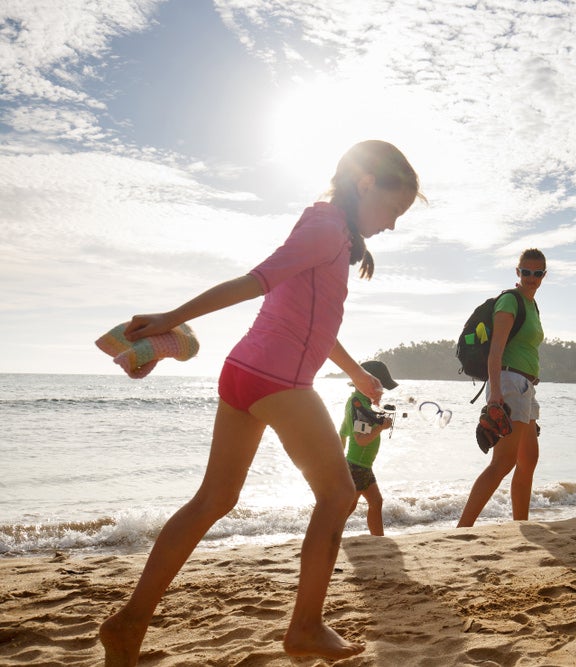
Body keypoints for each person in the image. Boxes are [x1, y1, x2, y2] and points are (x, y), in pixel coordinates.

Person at [99, 140, 422, 667]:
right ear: (366, 184)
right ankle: (306, 627)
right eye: (392, 209)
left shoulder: (333, 235)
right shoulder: (324, 229)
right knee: (340, 494)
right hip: (279, 381)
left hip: (243, 374)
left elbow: (312, 321)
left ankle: (130, 621)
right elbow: (254, 282)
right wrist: (169, 318)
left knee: (214, 500)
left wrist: (356, 372)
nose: (391, 224)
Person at [458, 249, 546, 527]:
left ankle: (521, 523)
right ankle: (463, 527)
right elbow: (496, 352)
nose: (532, 278)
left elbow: (524, 347)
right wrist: (495, 394)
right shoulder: (510, 301)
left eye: (538, 273)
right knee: (503, 463)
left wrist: (532, 376)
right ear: (517, 272)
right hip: (509, 384)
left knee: (528, 459)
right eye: (526, 272)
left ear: (544, 275)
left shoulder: (532, 306)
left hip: (525, 386)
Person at [340, 360, 399, 536]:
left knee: (376, 502)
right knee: (349, 506)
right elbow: (360, 440)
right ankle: (328, 534)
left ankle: (378, 539)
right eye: (381, 389)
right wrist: (380, 427)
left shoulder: (360, 403)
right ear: (368, 384)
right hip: (357, 465)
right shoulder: (359, 405)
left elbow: (343, 432)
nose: (382, 393)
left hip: (361, 465)